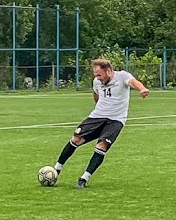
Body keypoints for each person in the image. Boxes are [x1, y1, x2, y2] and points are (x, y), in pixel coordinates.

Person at [50, 58, 149, 189]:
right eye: (96, 75)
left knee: (102, 146)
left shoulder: (122, 76)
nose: (98, 78)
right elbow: (96, 95)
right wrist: (99, 107)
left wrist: (142, 89)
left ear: (108, 71)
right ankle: (56, 169)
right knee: (76, 139)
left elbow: (134, 82)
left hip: (115, 120)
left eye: (100, 75)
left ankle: (84, 179)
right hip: (96, 117)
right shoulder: (96, 82)